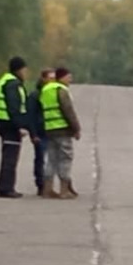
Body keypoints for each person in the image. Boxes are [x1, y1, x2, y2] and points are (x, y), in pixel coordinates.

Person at [0, 56, 31, 199]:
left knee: (8, 155)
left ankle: (5, 186)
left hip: (3, 123)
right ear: (19, 69)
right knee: (10, 157)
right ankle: (6, 188)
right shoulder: (13, 84)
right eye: (24, 69)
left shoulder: (5, 80)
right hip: (9, 125)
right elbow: (14, 107)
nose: (26, 72)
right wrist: (20, 126)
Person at [40, 67, 81, 200]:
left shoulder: (45, 90)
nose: (70, 80)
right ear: (62, 77)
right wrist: (76, 128)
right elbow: (68, 110)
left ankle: (47, 189)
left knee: (51, 160)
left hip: (49, 129)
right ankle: (64, 190)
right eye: (69, 77)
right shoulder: (61, 90)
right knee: (65, 159)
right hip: (62, 129)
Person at [26, 68, 55, 196]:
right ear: (43, 79)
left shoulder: (55, 93)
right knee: (40, 158)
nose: (52, 81)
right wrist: (33, 134)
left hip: (53, 130)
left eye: (54, 78)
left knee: (53, 159)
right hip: (40, 131)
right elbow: (30, 115)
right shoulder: (35, 95)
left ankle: (50, 185)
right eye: (50, 78)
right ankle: (41, 185)